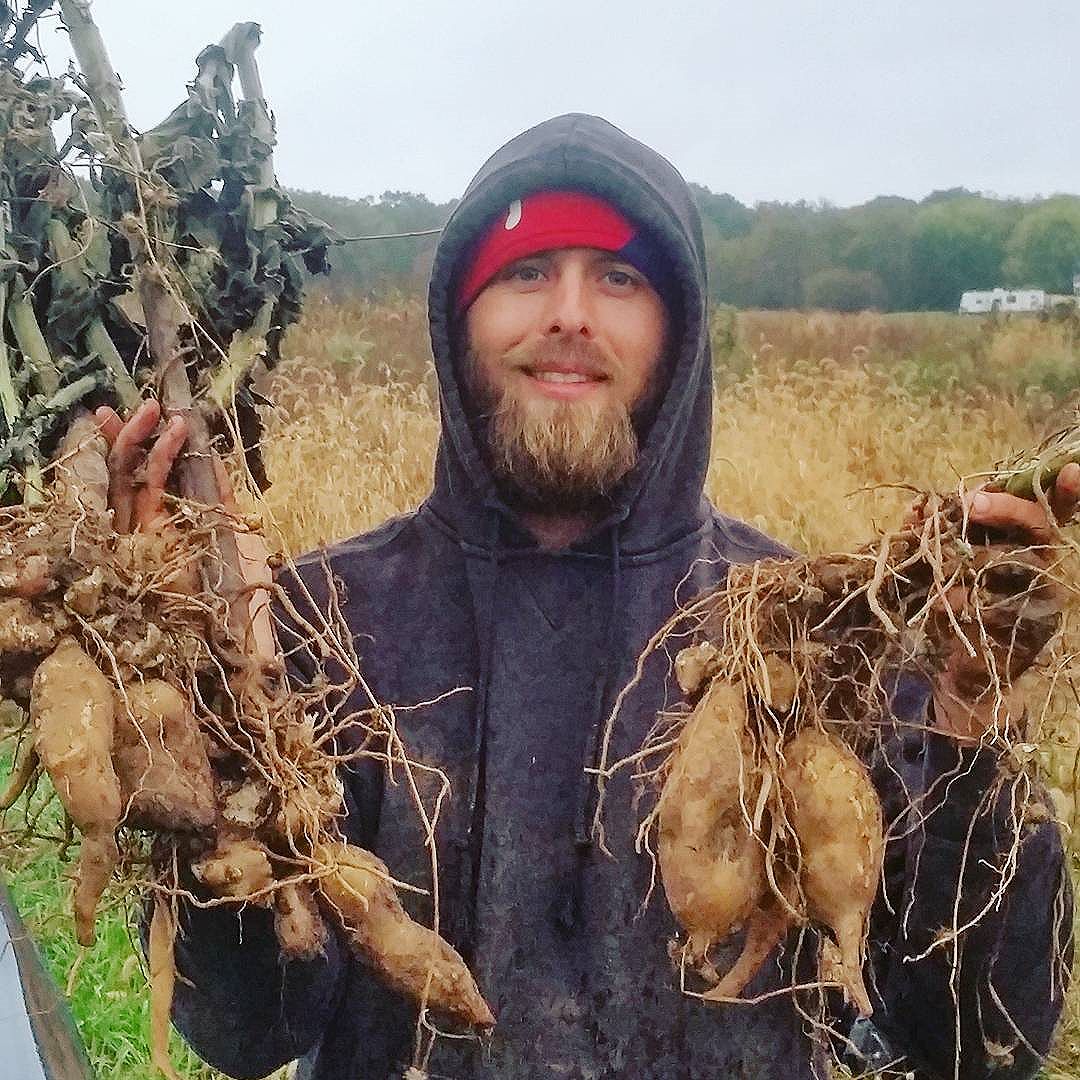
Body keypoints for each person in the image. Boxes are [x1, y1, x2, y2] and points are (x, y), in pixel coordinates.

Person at [99, 114, 1074, 1079]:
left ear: (681, 329)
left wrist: (967, 716)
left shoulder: (809, 640)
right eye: (525, 271)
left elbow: (981, 1049)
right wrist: (205, 697)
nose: (569, 311)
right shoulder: (321, 621)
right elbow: (245, 1034)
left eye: (618, 276)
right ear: (457, 320)